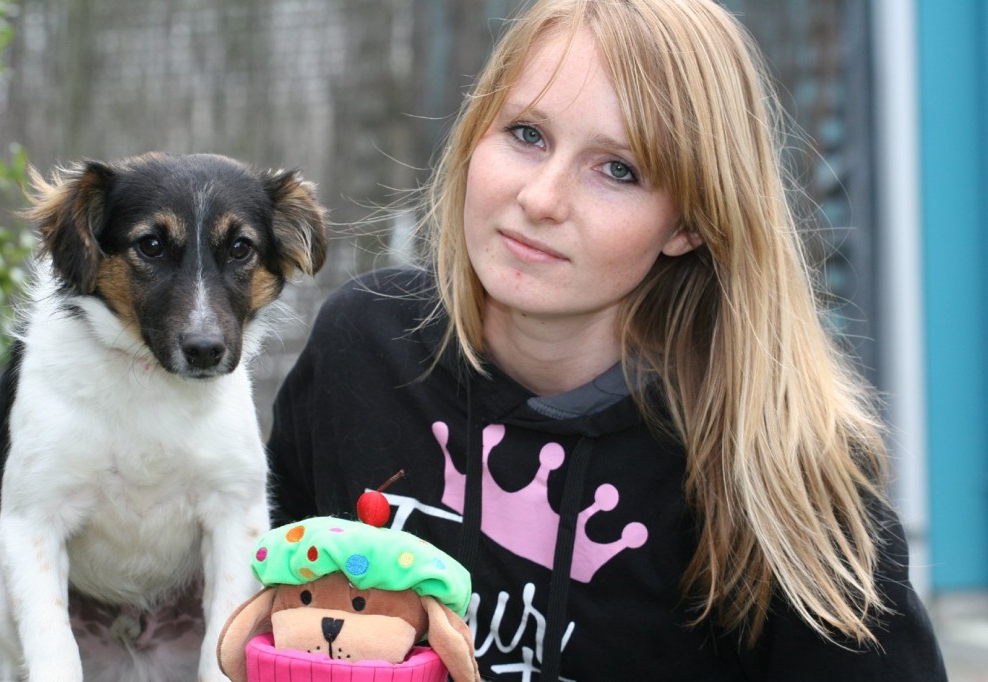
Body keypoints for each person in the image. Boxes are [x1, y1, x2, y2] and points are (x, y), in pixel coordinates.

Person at [267, 0, 947, 679]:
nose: (542, 198)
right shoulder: (363, 352)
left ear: (690, 223)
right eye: (527, 134)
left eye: (618, 169)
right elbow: (252, 612)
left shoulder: (776, 459)